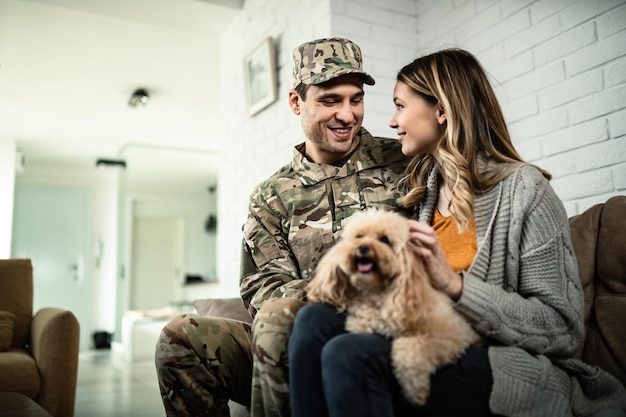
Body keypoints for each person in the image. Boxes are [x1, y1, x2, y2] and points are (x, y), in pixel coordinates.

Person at [288, 48, 626, 417]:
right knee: (314, 319)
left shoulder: (525, 192)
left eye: (400, 105)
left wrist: (455, 286)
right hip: (424, 341)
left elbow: (562, 329)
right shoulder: (421, 195)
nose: (391, 121)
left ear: (442, 111)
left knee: (349, 353)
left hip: (506, 366)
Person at [155, 37, 410, 417]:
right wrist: (334, 295)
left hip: (392, 323)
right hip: (298, 333)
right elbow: (265, 287)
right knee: (178, 338)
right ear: (296, 102)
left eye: (355, 99)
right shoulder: (271, 195)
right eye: (329, 100)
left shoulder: (403, 160)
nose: (347, 114)